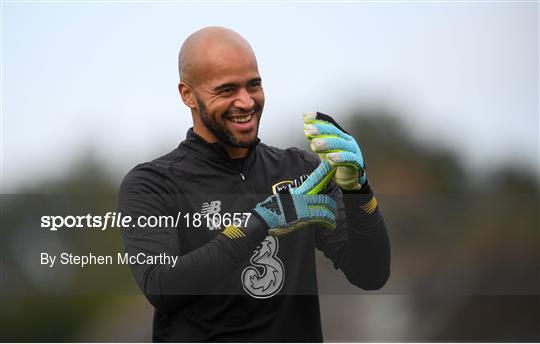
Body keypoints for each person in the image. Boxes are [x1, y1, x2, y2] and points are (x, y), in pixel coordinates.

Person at [118, 26, 390, 342]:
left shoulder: (299, 170)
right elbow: (162, 287)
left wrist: (358, 191)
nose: (246, 102)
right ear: (187, 94)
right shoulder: (151, 184)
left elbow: (371, 274)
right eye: (227, 90)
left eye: (254, 85)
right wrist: (260, 222)